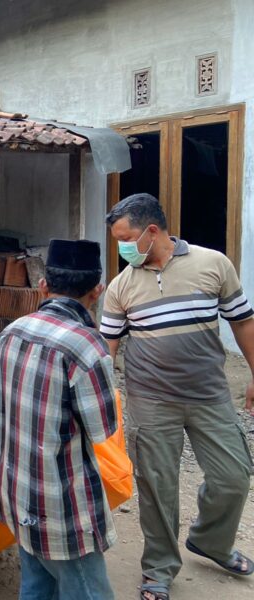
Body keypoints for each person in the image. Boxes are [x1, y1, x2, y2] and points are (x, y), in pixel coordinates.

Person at [100, 193, 254, 600]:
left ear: (153, 231)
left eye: (127, 238)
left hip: (209, 395)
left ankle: (211, 542)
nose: (123, 248)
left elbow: (242, 321)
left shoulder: (212, 263)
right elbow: (108, 346)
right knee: (157, 487)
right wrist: (101, 395)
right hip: (151, 401)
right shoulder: (122, 286)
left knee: (234, 477)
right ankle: (159, 569)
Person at [0, 238, 118, 600]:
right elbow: (104, 430)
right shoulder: (87, 345)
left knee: (37, 586)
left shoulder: (12, 332)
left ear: (43, 285)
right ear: (97, 290)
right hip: (61, 507)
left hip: (16, 491)